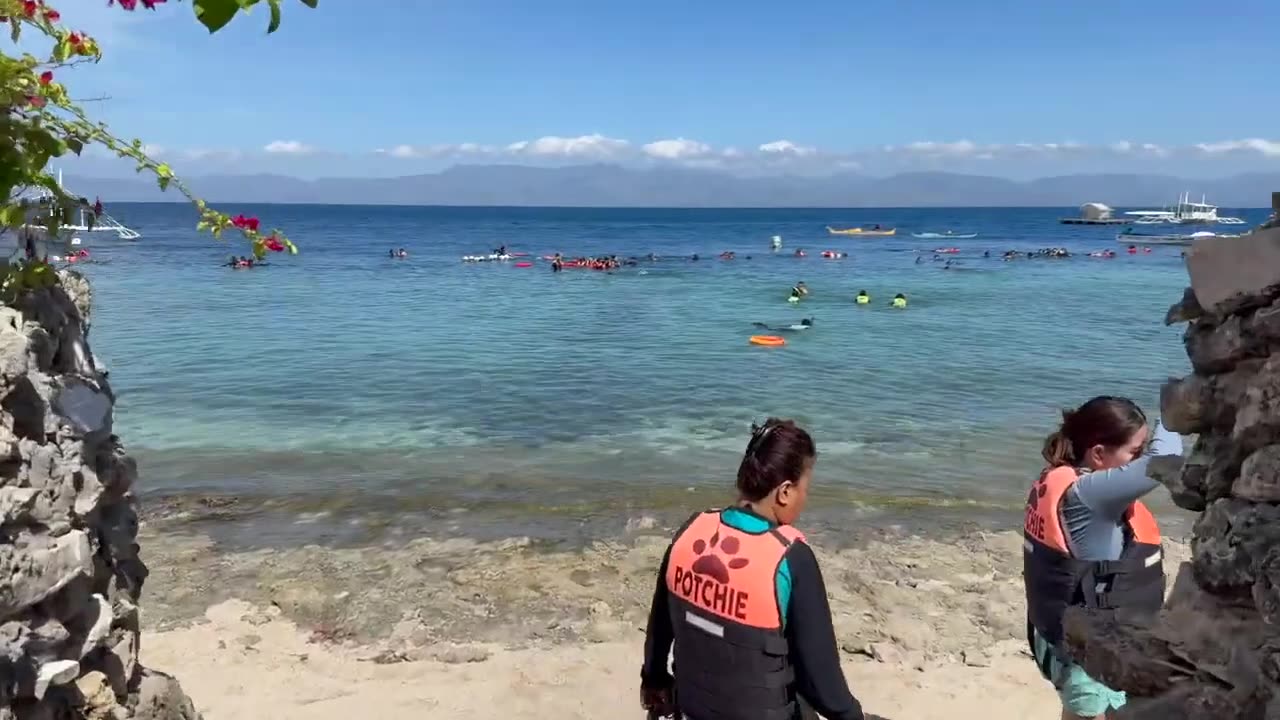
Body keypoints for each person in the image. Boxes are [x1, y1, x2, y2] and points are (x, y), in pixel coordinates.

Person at [640, 419, 866, 720]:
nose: (805, 499)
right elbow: (824, 689)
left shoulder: (690, 531)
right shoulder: (789, 558)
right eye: (805, 489)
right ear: (784, 491)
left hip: (692, 709)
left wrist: (653, 680)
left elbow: (659, 631)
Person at [1024, 396, 1183, 720]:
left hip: (1061, 636)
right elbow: (1166, 458)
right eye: (1136, 454)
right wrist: (1173, 407)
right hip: (1087, 651)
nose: (1141, 461)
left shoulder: (1067, 478)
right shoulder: (1091, 496)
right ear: (1098, 454)